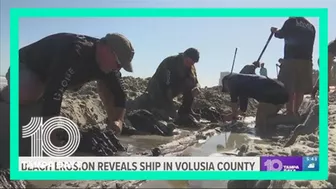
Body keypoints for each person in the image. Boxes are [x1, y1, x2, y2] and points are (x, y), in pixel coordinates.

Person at [0, 32, 135, 135]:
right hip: (28, 65)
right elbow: (55, 88)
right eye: (118, 63)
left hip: (58, 76)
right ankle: (5, 93)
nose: (118, 68)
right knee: (28, 92)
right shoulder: (74, 51)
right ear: (106, 49)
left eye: (121, 66)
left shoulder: (109, 65)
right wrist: (53, 130)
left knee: (109, 84)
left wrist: (118, 121)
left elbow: (119, 94)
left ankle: (111, 128)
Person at [144, 48, 201, 125]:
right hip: (158, 88)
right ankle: (158, 106)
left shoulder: (190, 67)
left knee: (190, 82)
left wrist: (197, 87)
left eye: (192, 64)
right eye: (188, 62)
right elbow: (167, 86)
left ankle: (185, 110)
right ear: (183, 56)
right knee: (165, 115)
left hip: (173, 87)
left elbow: (196, 81)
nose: (189, 65)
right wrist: (171, 109)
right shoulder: (170, 62)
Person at [271, 17, 316, 116]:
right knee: (300, 88)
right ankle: (296, 112)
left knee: (288, 87)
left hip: (291, 59)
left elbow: (280, 34)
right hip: (307, 60)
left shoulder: (291, 21)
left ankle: (290, 112)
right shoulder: (311, 27)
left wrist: (274, 31)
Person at [221, 73, 289, 133]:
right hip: (280, 92)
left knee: (260, 125)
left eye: (226, 89)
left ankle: (292, 119)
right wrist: (234, 115)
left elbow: (234, 104)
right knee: (265, 121)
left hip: (273, 94)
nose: (228, 91)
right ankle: (284, 124)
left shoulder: (232, 81)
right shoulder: (242, 84)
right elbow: (243, 109)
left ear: (225, 82)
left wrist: (230, 116)